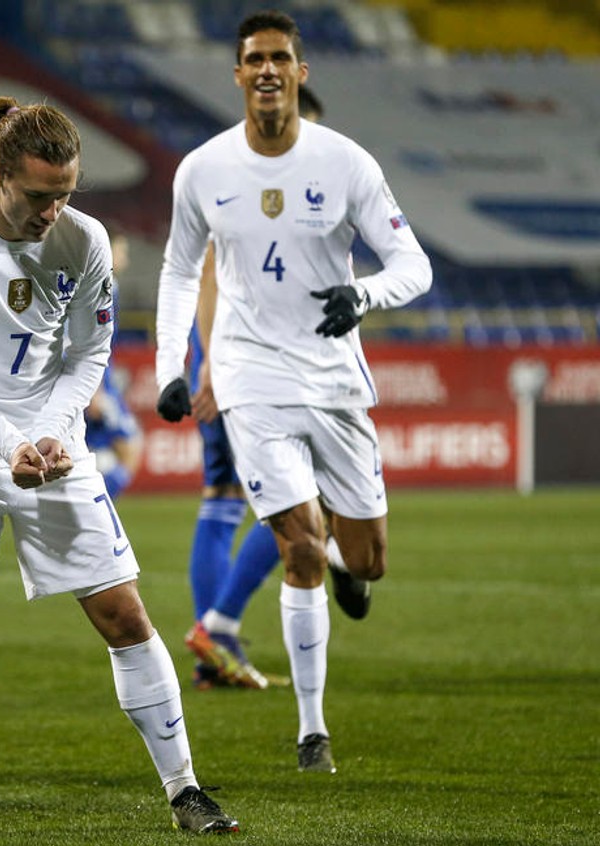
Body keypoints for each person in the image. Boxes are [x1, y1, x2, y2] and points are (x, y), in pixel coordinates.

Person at [0, 95, 238, 839]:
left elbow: (88, 355)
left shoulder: (82, 241)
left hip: (51, 454)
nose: (55, 211)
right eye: (40, 196)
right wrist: (7, 440)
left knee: (125, 615)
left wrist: (49, 433)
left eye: (66, 195)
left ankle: (185, 790)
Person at [154, 11, 431, 773]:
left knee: (364, 557)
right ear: (238, 75)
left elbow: (415, 263)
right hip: (251, 381)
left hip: (335, 381)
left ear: (300, 73)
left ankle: (351, 571)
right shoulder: (203, 170)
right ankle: (313, 731)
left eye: (281, 58)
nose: (268, 70)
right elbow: (180, 271)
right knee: (299, 544)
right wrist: (170, 368)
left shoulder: (346, 163)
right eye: (255, 60)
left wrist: (366, 295)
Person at [184, 85, 325, 691]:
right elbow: (210, 272)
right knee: (303, 504)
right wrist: (215, 364)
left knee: (223, 497)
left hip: (231, 357)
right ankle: (219, 627)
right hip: (241, 363)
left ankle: (212, 650)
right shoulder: (246, 187)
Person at [84, 229, 142, 498]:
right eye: (121, 251)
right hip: (95, 383)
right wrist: (94, 390)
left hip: (100, 380)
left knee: (108, 449)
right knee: (129, 444)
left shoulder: (107, 285)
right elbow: (84, 342)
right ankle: (97, 506)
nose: (126, 259)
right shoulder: (100, 287)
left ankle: (95, 502)